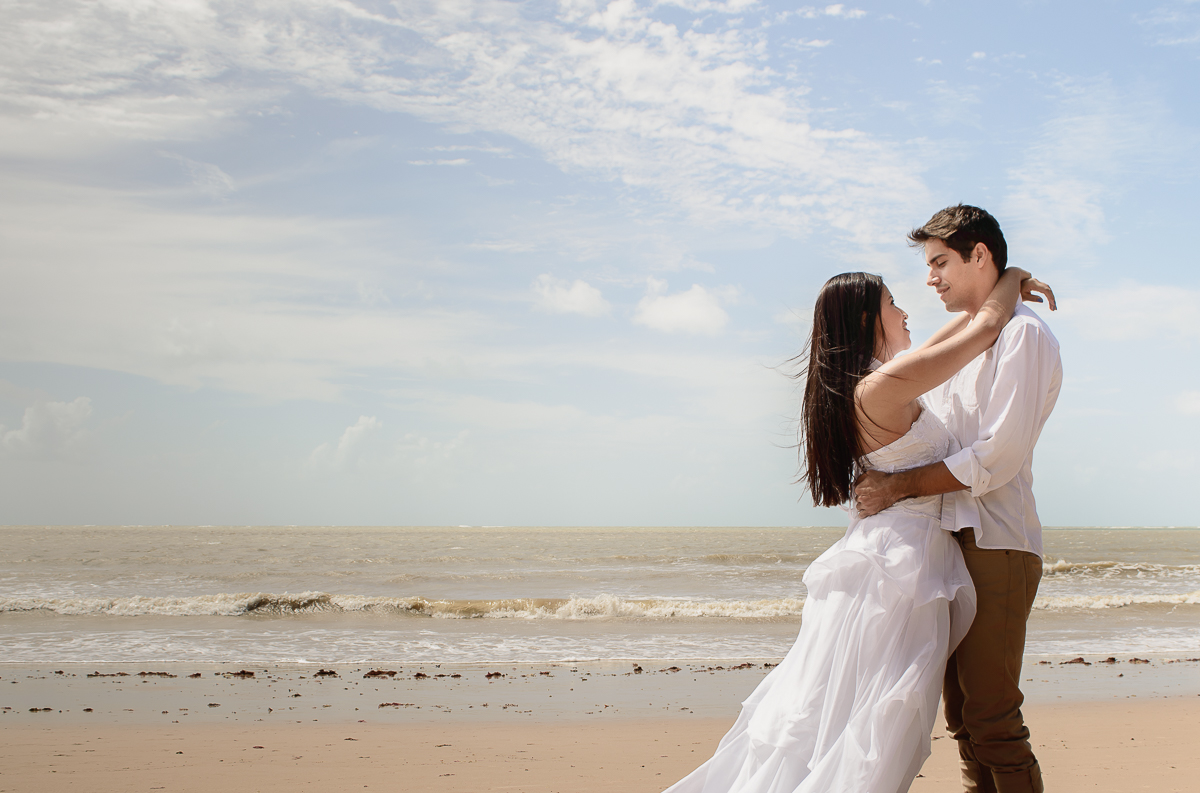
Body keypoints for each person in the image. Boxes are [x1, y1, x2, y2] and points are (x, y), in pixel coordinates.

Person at [662, 260, 1054, 793]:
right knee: (871, 725)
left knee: (867, 717)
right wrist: (1013, 277)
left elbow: (961, 329)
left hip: (904, 556)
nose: (907, 309)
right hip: (902, 567)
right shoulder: (885, 385)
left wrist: (1000, 284)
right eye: (894, 304)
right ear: (870, 319)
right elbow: (983, 329)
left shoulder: (873, 379)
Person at [854, 205, 1062, 793]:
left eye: (940, 262)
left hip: (997, 540)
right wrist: (1012, 274)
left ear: (980, 256)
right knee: (964, 722)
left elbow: (997, 457)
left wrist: (897, 486)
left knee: (993, 718)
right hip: (949, 544)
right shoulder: (966, 345)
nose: (930, 278)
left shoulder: (1022, 334)